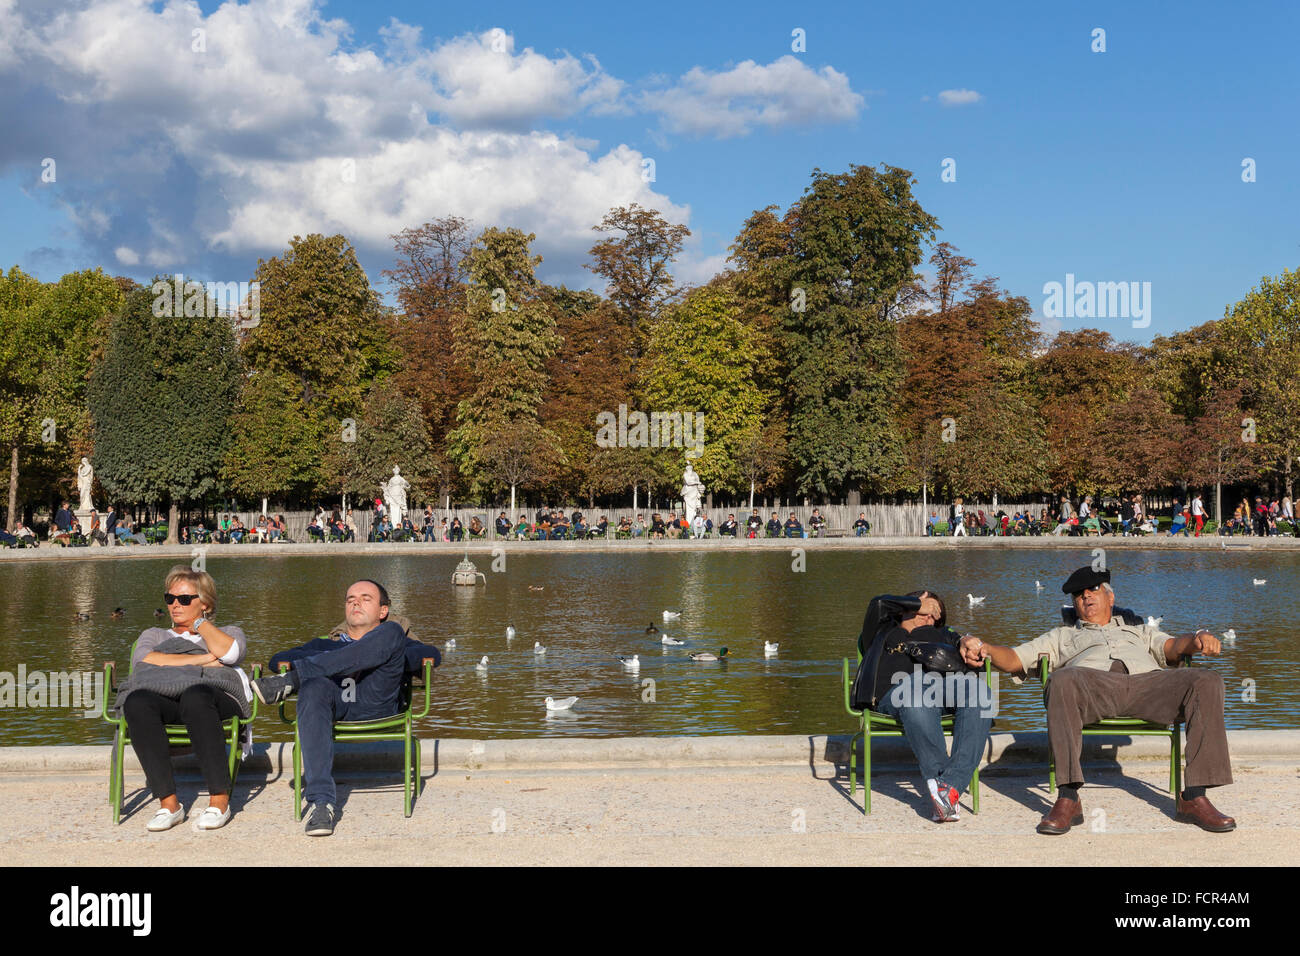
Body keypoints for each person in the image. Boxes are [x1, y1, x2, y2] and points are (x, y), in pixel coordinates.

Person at [963, 565, 1234, 835]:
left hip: (1147, 686)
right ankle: (1068, 798)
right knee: (1060, 679)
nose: (1086, 597)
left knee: (1206, 681)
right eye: (1079, 595)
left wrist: (1198, 639)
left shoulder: (1138, 629)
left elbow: (1173, 647)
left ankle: (1194, 797)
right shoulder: (1062, 635)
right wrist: (986, 648)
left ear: (1110, 597)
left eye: (1093, 590)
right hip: (1094, 688)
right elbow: (1014, 659)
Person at [250, 580, 441, 836]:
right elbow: (279, 659)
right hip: (335, 706)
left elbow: (432, 655)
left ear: (383, 611)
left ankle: (291, 682)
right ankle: (322, 803)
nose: (356, 603)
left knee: (392, 633)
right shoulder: (324, 645)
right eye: (350, 599)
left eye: (365, 598)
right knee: (314, 686)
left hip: (378, 705)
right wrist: (339, 659)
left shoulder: (396, 638)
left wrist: (383, 654)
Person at [117, 566, 250, 831]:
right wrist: (202, 660)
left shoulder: (229, 631)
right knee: (136, 701)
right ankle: (169, 805)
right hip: (167, 696)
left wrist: (200, 625)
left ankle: (219, 801)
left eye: (185, 599)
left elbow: (231, 654)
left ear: (205, 603)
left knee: (195, 695)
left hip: (214, 698)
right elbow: (143, 661)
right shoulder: (154, 635)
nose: (175, 605)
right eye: (170, 598)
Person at [859, 591, 991, 822]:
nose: (929, 617)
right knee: (916, 691)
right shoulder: (881, 630)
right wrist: (920, 603)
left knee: (981, 692)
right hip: (897, 692)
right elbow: (877, 602)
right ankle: (944, 791)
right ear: (904, 608)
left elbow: (967, 649)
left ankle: (948, 788)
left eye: (934, 615)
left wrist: (966, 641)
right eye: (924, 610)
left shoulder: (945, 634)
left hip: (944, 689)